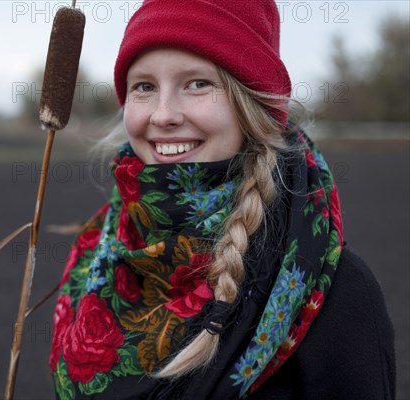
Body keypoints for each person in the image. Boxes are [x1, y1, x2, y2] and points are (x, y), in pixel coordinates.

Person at [49, 0, 396, 399]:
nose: (163, 115)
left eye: (197, 83)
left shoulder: (339, 293)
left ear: (253, 105)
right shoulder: (95, 254)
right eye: (144, 86)